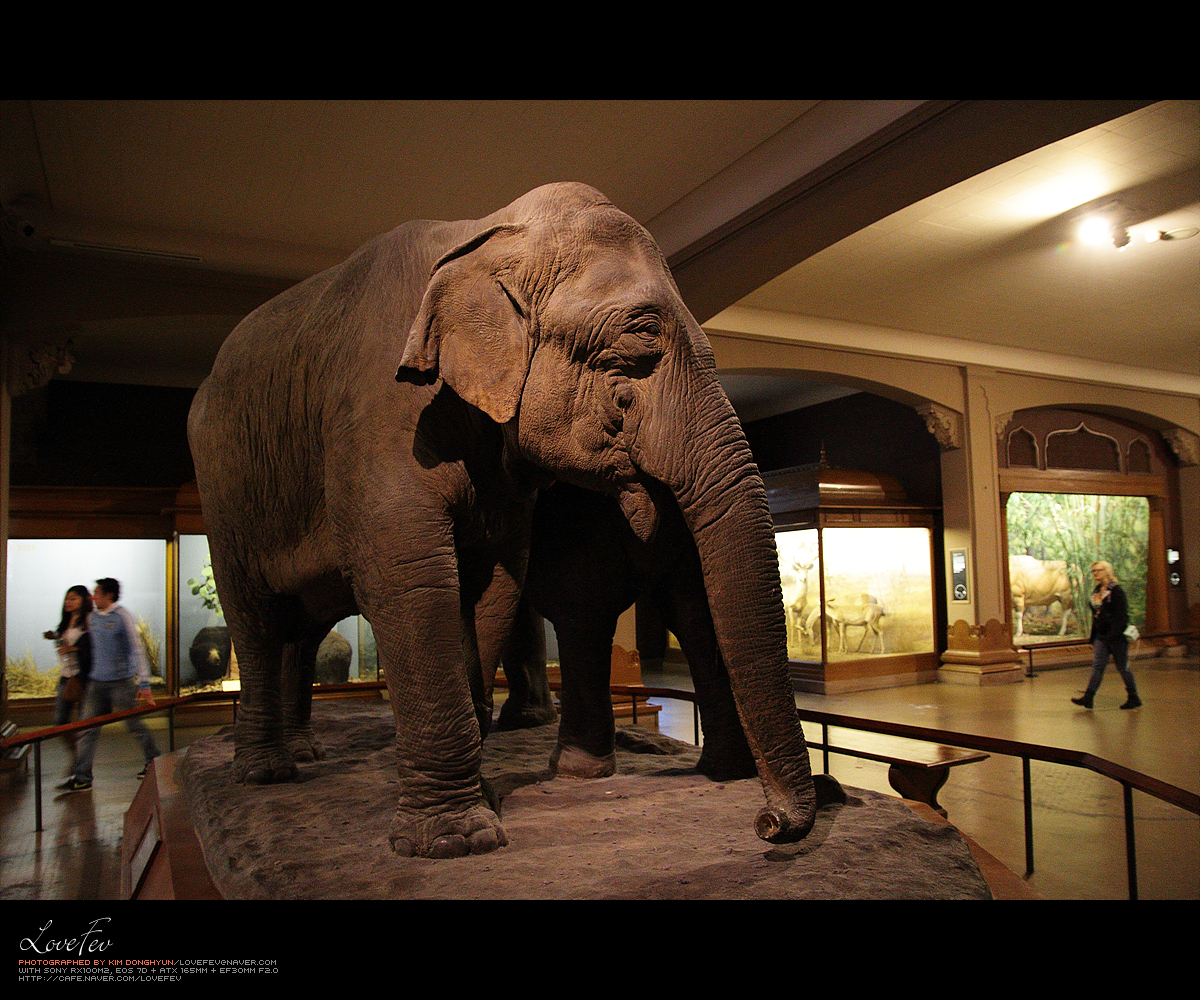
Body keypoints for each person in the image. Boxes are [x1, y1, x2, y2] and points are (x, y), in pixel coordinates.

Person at [57, 578, 160, 792]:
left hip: (121, 683)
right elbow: (84, 642)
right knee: (87, 728)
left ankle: (154, 760)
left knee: (133, 724)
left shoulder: (122, 616)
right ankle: (83, 777)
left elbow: (136, 649)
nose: (93, 597)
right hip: (96, 682)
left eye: (97, 593)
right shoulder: (92, 617)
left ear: (108, 595)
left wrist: (144, 682)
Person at [1072, 560, 1142, 710]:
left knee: (1123, 667)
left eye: (1098, 570)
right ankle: (1088, 697)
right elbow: (1096, 612)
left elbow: (1121, 616)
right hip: (1101, 635)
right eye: (1093, 571)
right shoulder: (1097, 591)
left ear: (1107, 571)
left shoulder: (1116, 591)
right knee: (1098, 666)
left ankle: (1133, 696)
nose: (1095, 573)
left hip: (1116, 637)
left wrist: (1113, 634)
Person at [42, 585, 93, 774]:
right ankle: (76, 757)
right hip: (66, 676)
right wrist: (54, 636)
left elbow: (91, 647)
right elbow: (67, 639)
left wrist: (75, 649)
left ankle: (81, 767)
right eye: (67, 598)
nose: (68, 602)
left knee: (82, 723)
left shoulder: (88, 621)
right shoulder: (67, 621)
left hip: (82, 678)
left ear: (83, 600)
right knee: (60, 720)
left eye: (73, 598)